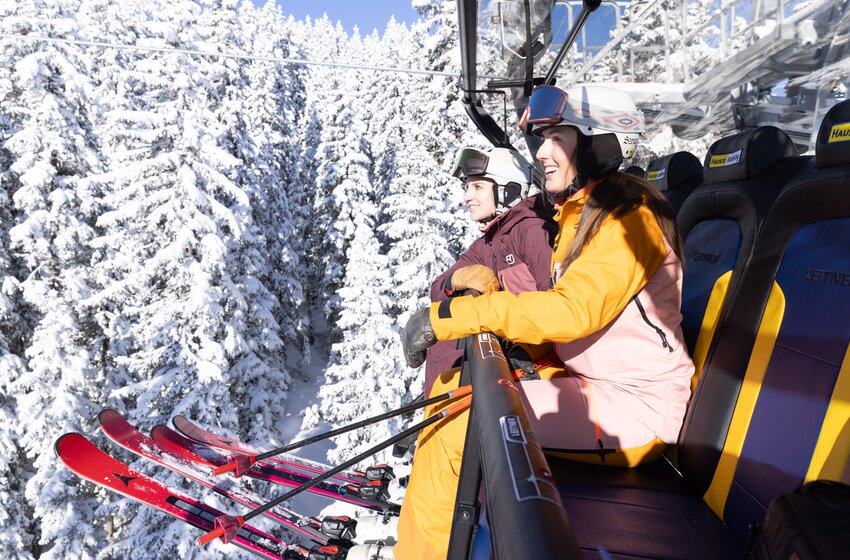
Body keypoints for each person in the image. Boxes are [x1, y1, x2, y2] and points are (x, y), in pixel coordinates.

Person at [395, 85, 695, 560]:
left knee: (461, 422)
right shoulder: (581, 215)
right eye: (541, 139)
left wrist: (455, 316)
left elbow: (572, 310)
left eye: (558, 136)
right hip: (594, 384)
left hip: (638, 408)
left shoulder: (630, 218)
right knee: (455, 401)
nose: (543, 152)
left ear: (599, 142)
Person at [423, 146, 558, 397]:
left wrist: (529, 351)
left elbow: (559, 304)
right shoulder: (487, 244)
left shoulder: (533, 231)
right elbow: (437, 289)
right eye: (467, 187)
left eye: (477, 187)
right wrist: (456, 279)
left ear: (509, 190)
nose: (467, 196)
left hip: (537, 367)